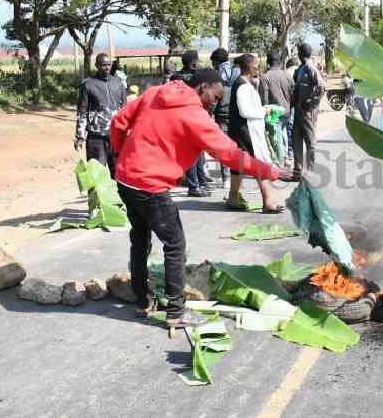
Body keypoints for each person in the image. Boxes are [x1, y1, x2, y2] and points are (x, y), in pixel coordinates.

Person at [110, 68, 290, 327]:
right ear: (203, 87)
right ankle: (176, 311)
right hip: (151, 185)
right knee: (175, 245)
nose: (214, 104)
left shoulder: (156, 92)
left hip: (126, 179)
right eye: (215, 98)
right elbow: (229, 154)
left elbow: (119, 121)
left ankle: (142, 300)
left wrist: (119, 154)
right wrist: (271, 171)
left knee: (140, 239)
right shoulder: (195, 116)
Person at [226, 54, 285, 213]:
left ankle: (233, 197)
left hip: (240, 130)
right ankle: (268, 202)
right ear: (248, 66)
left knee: (238, 165)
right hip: (246, 131)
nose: (258, 67)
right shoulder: (243, 85)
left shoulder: (243, 83)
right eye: (256, 64)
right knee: (259, 164)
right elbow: (246, 111)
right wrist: (265, 111)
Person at [74, 53, 127, 178]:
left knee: (120, 175)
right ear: (97, 66)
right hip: (96, 138)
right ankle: (95, 198)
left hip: (116, 136)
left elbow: (125, 109)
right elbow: (82, 112)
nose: (107, 68)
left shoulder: (118, 83)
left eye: (109, 64)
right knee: (96, 176)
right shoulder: (88, 84)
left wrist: (128, 132)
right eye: (103, 65)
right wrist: (80, 137)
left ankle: (119, 198)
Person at [171, 51, 211, 197]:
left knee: (199, 153)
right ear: (191, 62)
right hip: (187, 118)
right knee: (193, 153)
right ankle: (194, 186)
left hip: (195, 117)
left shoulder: (180, 77)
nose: (198, 63)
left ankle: (202, 182)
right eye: (196, 61)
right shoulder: (181, 78)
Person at [291, 43, 326, 179]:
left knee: (310, 140)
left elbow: (321, 86)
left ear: (300, 53)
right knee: (296, 139)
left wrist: (311, 101)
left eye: (299, 51)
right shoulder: (300, 68)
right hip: (299, 111)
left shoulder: (310, 68)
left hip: (307, 111)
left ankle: (311, 171)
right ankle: (298, 171)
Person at [258, 52, 294, 163]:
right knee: (283, 135)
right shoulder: (287, 75)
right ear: (280, 62)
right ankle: (286, 158)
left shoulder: (265, 77)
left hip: (273, 113)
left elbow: (264, 99)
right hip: (287, 111)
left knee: (275, 138)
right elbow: (293, 94)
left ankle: (281, 161)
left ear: (268, 62)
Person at [211, 47, 239, 189]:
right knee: (236, 146)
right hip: (236, 114)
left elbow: (214, 98)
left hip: (221, 115)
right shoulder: (237, 71)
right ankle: (236, 177)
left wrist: (209, 113)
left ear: (216, 61)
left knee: (223, 147)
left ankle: (226, 178)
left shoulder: (216, 75)